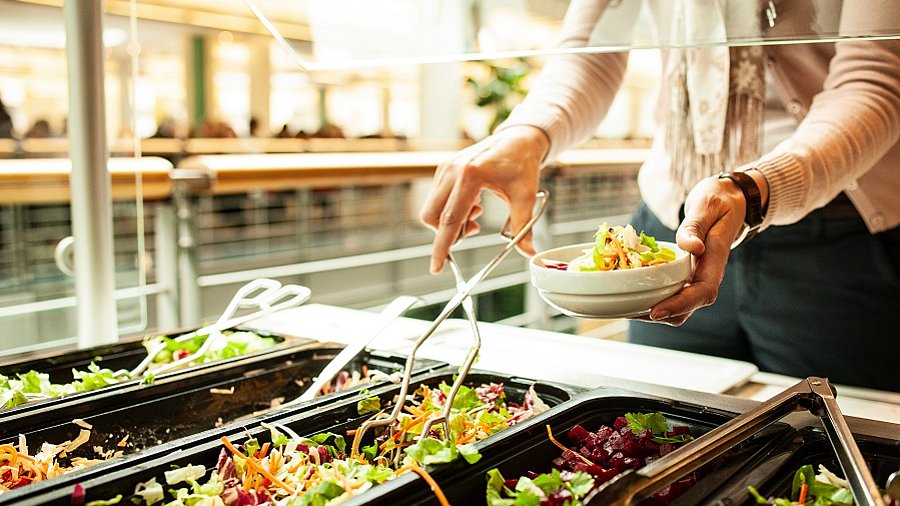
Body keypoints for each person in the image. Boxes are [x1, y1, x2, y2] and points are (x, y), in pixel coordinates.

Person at [419, 0, 900, 392]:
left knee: (834, 451)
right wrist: (526, 134)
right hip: (672, 227)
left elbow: (874, 80)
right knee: (655, 433)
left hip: (839, 236)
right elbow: (591, 52)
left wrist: (754, 190)